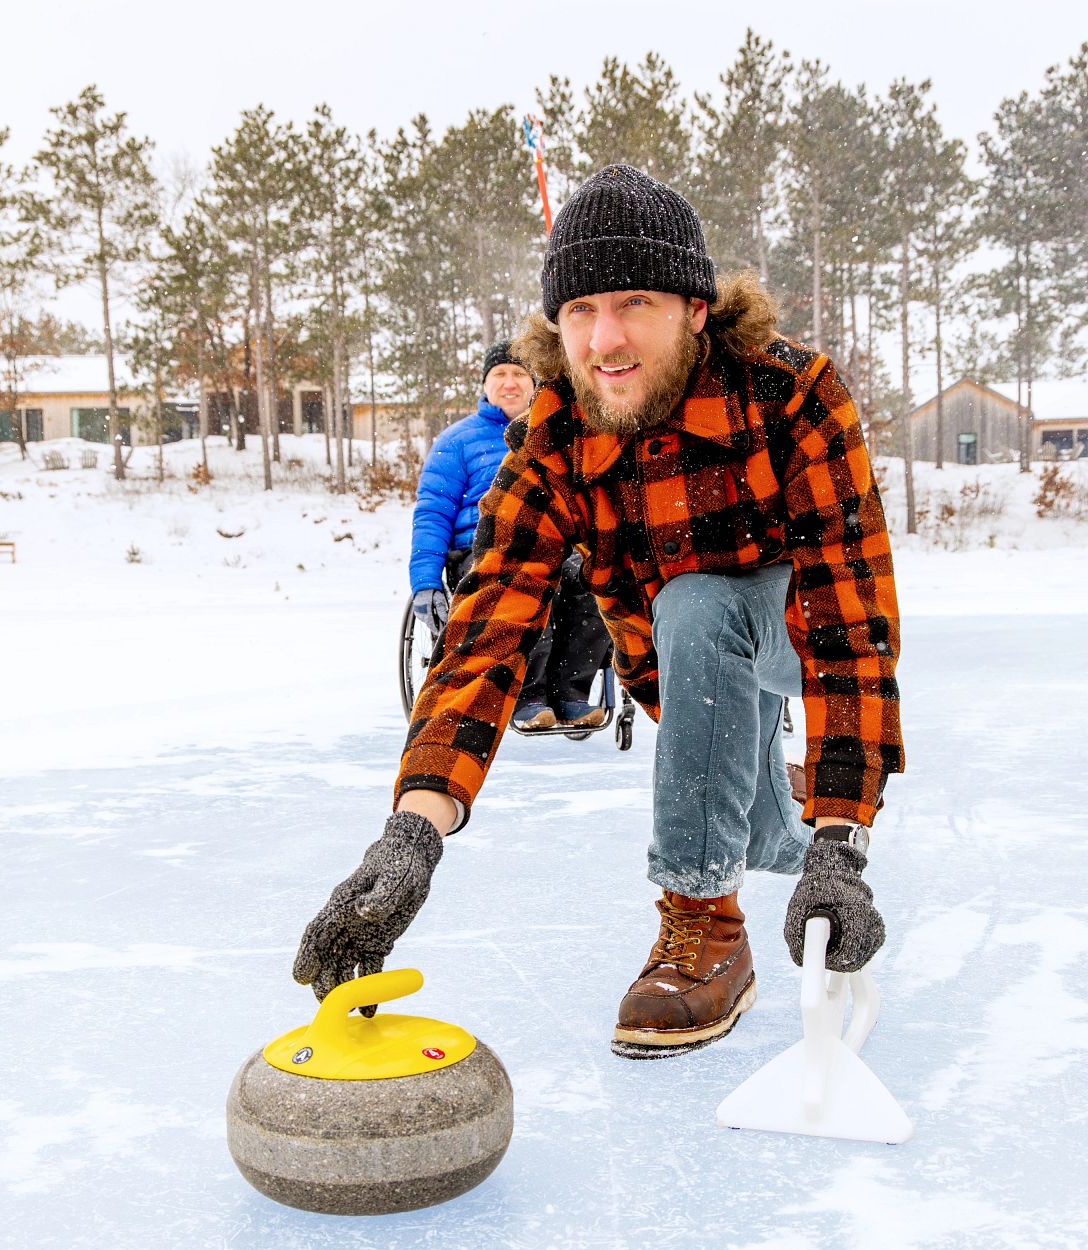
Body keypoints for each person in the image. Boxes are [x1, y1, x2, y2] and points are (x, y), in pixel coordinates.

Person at [295, 165, 903, 1059]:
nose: (604, 339)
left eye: (633, 304)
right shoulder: (556, 434)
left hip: (792, 631)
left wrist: (843, 846)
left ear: (696, 308)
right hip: (679, 674)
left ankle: (707, 924)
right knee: (756, 806)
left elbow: (851, 624)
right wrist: (413, 832)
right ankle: (779, 808)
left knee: (698, 605)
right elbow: (488, 627)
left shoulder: (793, 395)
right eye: (579, 310)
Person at [408, 343, 607, 728]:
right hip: (479, 546)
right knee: (525, 581)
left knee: (589, 579)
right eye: (500, 374)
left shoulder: (556, 433)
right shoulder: (456, 441)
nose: (510, 383)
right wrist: (425, 583)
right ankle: (527, 694)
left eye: (519, 374)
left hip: (552, 539)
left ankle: (570, 691)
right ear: (485, 384)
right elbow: (432, 513)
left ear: (534, 383)